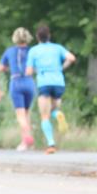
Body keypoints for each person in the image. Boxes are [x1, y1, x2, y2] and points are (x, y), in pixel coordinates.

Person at [26, 24, 76, 154]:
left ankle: (51, 144)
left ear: (37, 37)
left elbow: (29, 71)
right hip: (58, 82)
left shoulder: (33, 51)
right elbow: (71, 58)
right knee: (54, 109)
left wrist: (36, 70)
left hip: (44, 82)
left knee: (44, 116)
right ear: (49, 36)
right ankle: (58, 115)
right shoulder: (57, 47)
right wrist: (61, 68)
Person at [0, 27, 37, 150]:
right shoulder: (32, 51)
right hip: (29, 82)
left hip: (16, 82)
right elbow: (35, 67)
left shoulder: (10, 51)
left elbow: (1, 67)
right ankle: (25, 142)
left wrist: (9, 68)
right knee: (27, 113)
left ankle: (27, 138)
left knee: (20, 115)